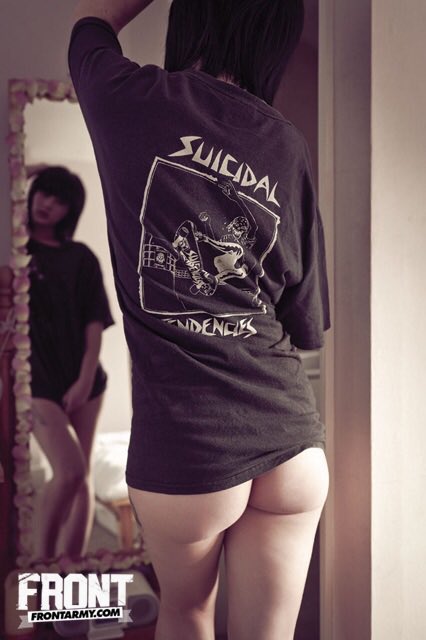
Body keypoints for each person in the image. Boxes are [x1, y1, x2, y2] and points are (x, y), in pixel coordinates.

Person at [68, 1, 330, 638]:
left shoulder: (131, 96)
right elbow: (306, 321)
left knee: (187, 612)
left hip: (186, 446)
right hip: (289, 441)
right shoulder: (286, 143)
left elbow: (91, 25)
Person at [27, 166, 114, 560]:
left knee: (83, 478)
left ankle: (70, 567)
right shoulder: (15, 250)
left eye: (60, 200)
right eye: (43, 192)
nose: (47, 203)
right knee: (70, 471)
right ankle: (41, 565)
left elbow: (94, 324)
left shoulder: (81, 258)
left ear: (71, 210)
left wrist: (83, 380)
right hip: (36, 381)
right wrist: (31, 171)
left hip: (85, 379)